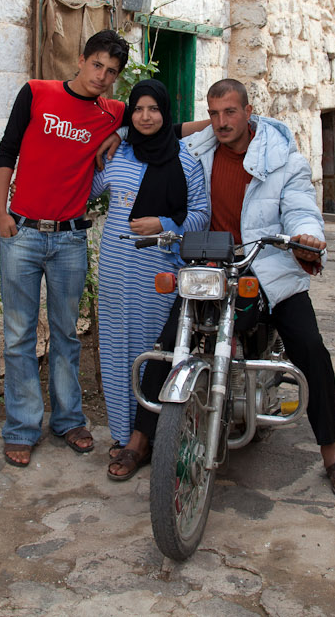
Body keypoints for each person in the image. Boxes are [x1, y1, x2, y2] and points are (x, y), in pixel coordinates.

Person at [128, 78, 335, 496]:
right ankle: (140, 441)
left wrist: (306, 236)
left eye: (230, 112)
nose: (221, 122)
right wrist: (119, 133)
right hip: (210, 267)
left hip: (266, 268)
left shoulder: (282, 160)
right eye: (214, 113)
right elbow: (159, 131)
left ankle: (332, 450)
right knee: (168, 345)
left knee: (310, 347)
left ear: (248, 111)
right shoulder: (197, 151)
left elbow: (301, 207)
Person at [0, 30, 129, 468]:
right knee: (18, 336)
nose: (102, 77)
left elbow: (161, 119)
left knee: (67, 333)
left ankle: (69, 419)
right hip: (24, 233)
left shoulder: (113, 112)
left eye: (111, 72)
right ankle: (22, 427)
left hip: (71, 237)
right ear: (80, 58)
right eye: (97, 66)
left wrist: (121, 135)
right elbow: (6, 152)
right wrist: (1, 213)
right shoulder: (36, 93)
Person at [90, 81, 209, 481]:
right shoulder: (117, 153)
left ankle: (154, 434)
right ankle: (125, 436)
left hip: (159, 272)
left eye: (153, 109)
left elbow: (201, 215)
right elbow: (89, 189)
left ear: (165, 112)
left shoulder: (186, 161)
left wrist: (165, 223)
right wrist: (108, 138)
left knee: (154, 350)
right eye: (137, 109)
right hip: (116, 269)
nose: (145, 116)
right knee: (117, 348)